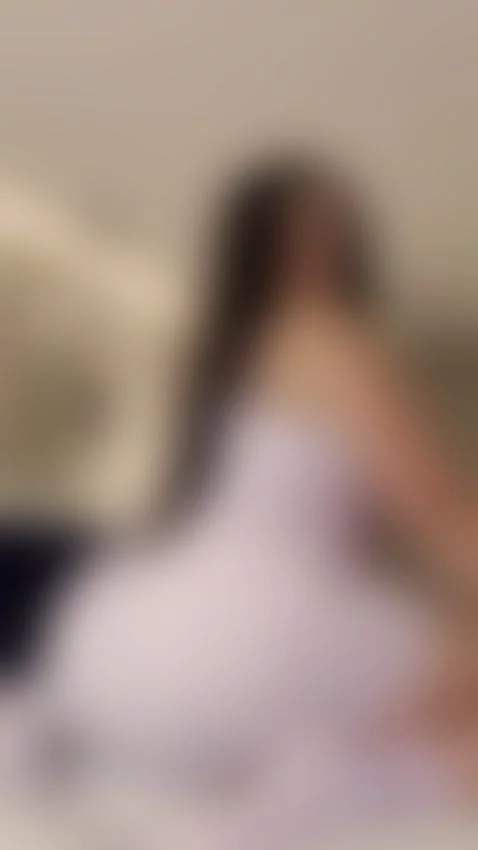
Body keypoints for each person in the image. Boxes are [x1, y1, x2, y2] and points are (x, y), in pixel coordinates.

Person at [38, 158, 477, 846]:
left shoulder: (220, 360)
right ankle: (337, 789)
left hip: (111, 650)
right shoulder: (332, 343)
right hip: (253, 644)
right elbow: (441, 512)